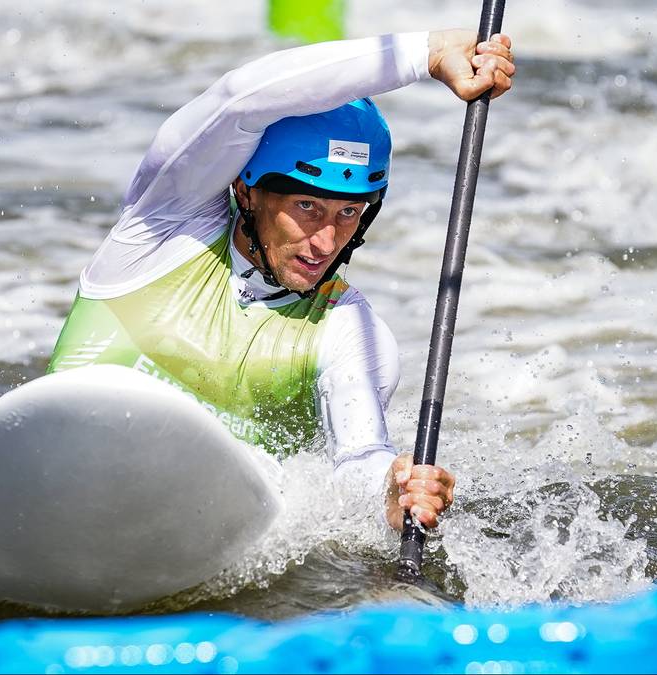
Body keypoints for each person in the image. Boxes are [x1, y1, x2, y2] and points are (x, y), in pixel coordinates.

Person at [48, 29, 515, 531]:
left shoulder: (348, 329)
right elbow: (241, 99)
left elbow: (357, 460)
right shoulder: (158, 231)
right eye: (307, 207)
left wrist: (391, 493)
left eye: (349, 212)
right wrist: (425, 54)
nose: (326, 241)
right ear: (246, 191)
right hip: (57, 479)